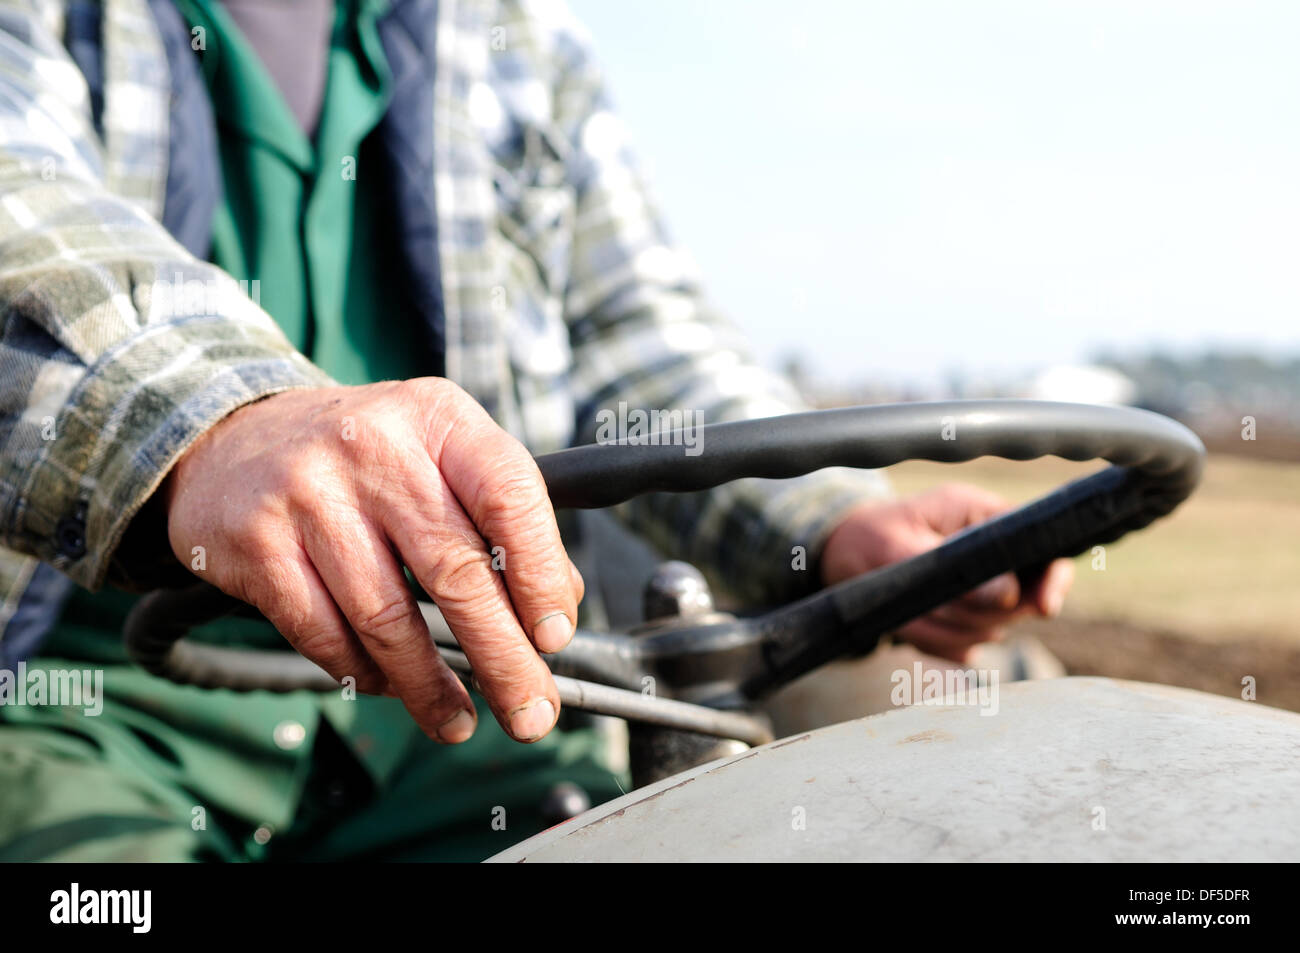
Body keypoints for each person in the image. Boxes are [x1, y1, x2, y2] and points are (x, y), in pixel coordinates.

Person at [0, 0, 1073, 861]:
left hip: (471, 704)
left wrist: (833, 518)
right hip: (94, 705)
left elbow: (637, 345)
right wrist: (221, 422)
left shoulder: (517, 40)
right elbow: (25, 212)